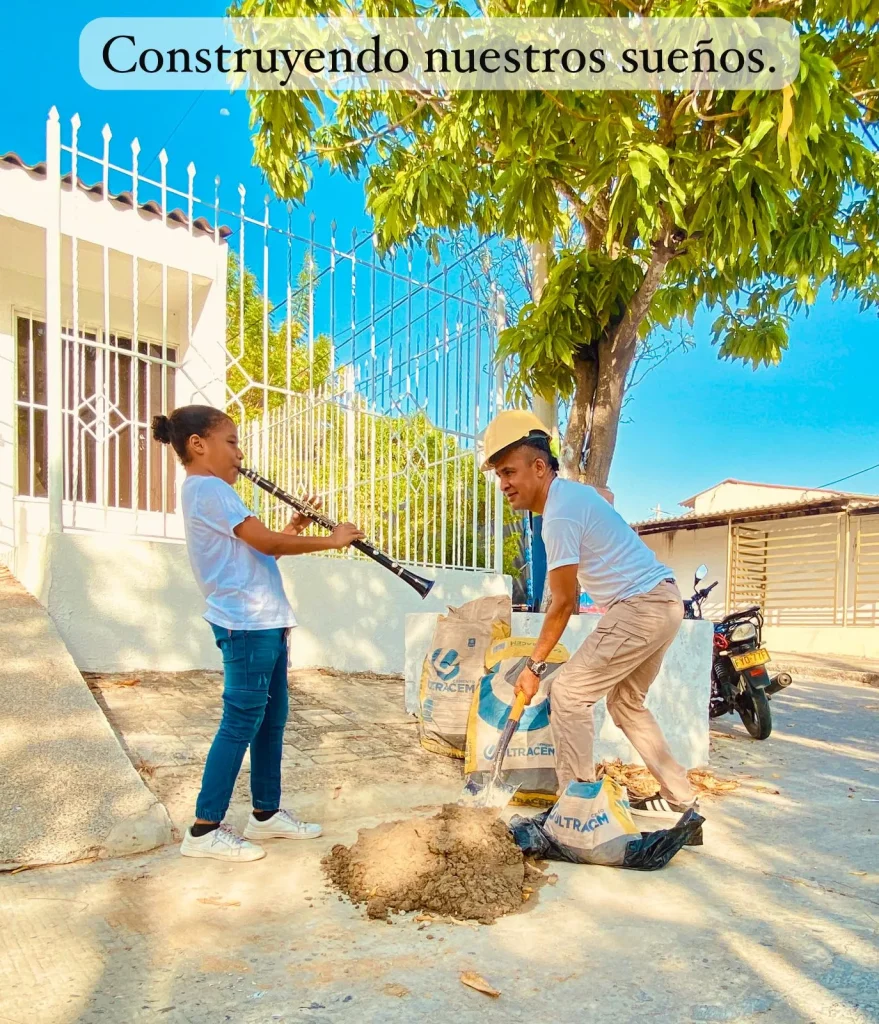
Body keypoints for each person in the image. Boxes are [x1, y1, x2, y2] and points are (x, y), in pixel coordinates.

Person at [152, 405, 364, 861]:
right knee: (240, 722)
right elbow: (264, 542)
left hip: (263, 621)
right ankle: (205, 828)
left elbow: (259, 553)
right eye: (230, 442)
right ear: (198, 445)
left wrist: (294, 528)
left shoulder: (207, 492)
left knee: (271, 721)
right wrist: (332, 539)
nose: (239, 452)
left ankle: (266, 815)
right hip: (246, 624)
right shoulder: (209, 489)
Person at [480, 410, 697, 818]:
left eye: (509, 472)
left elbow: (563, 602)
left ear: (540, 467)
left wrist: (534, 665)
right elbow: (606, 495)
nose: (504, 484)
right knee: (626, 704)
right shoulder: (572, 496)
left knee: (569, 693)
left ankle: (578, 810)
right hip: (665, 602)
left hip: (640, 606)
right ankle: (683, 799)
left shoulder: (559, 515)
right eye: (498, 476)